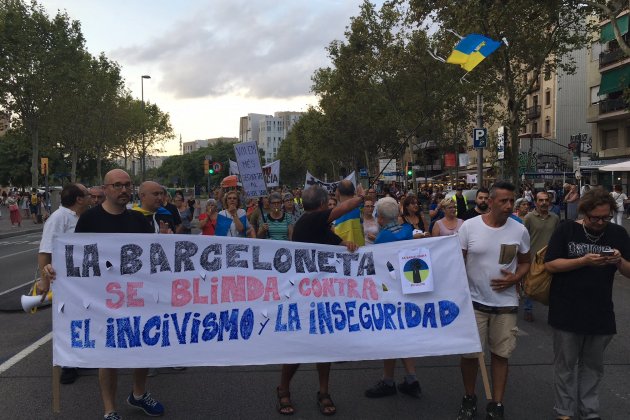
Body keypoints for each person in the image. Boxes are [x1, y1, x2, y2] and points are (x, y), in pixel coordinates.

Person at [41, 170, 164, 420]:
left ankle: (139, 394)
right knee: (107, 354)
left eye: (128, 185)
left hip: (136, 297)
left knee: (143, 348)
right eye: (117, 185)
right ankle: (110, 410)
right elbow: (75, 257)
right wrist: (53, 270)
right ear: (105, 189)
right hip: (103, 301)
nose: (124, 190)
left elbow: (152, 259)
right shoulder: (89, 220)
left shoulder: (140, 221)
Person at [544, 187, 630, 420]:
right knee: (566, 366)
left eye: (606, 217)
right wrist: (582, 261)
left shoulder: (618, 233)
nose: (601, 222)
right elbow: (550, 265)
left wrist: (619, 260)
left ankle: (589, 411)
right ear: (584, 213)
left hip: (600, 311)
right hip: (566, 309)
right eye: (596, 218)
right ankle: (564, 411)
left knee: (593, 367)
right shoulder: (567, 230)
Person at [276, 185, 362, 416]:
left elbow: (332, 240)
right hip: (303, 294)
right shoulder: (311, 219)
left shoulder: (317, 225)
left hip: (323, 293)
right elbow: (345, 207)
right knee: (298, 346)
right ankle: (283, 388)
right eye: (329, 203)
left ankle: (323, 391)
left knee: (325, 345)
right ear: (322, 204)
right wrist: (360, 197)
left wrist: (346, 244)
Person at [457, 181, 531, 420]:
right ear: (490, 202)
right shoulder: (469, 227)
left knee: (501, 355)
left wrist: (516, 278)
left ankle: (496, 404)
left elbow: (526, 262)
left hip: (506, 304)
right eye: (504, 201)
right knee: (469, 356)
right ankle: (469, 398)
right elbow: (456, 262)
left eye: (512, 201)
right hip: (473, 304)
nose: (509, 205)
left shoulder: (519, 230)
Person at [364, 197, 421, 400]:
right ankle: (411, 378)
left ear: (379, 218)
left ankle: (388, 381)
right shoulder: (407, 230)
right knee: (404, 333)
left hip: (389, 292)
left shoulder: (382, 239)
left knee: (390, 333)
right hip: (410, 289)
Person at [36, 183, 90, 385]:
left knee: (81, 317)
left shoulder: (78, 217)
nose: (91, 198)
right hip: (64, 281)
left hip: (79, 279)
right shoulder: (59, 218)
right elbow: (45, 251)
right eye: (87, 195)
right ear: (79, 199)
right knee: (67, 320)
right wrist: (44, 281)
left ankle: (79, 357)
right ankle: (67, 365)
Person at [522, 191, 559, 323]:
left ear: (549, 202)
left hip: (550, 258)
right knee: (531, 285)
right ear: (536, 202)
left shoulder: (554, 218)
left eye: (546, 200)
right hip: (533, 257)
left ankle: (554, 313)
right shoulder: (529, 218)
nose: (544, 203)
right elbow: (522, 238)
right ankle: (528, 310)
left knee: (552, 285)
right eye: (540, 200)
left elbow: (557, 237)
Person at [333, 180, 365, 247]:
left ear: (338, 192)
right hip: (360, 251)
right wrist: (361, 196)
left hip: (341, 253)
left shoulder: (334, 213)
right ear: (354, 192)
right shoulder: (361, 208)